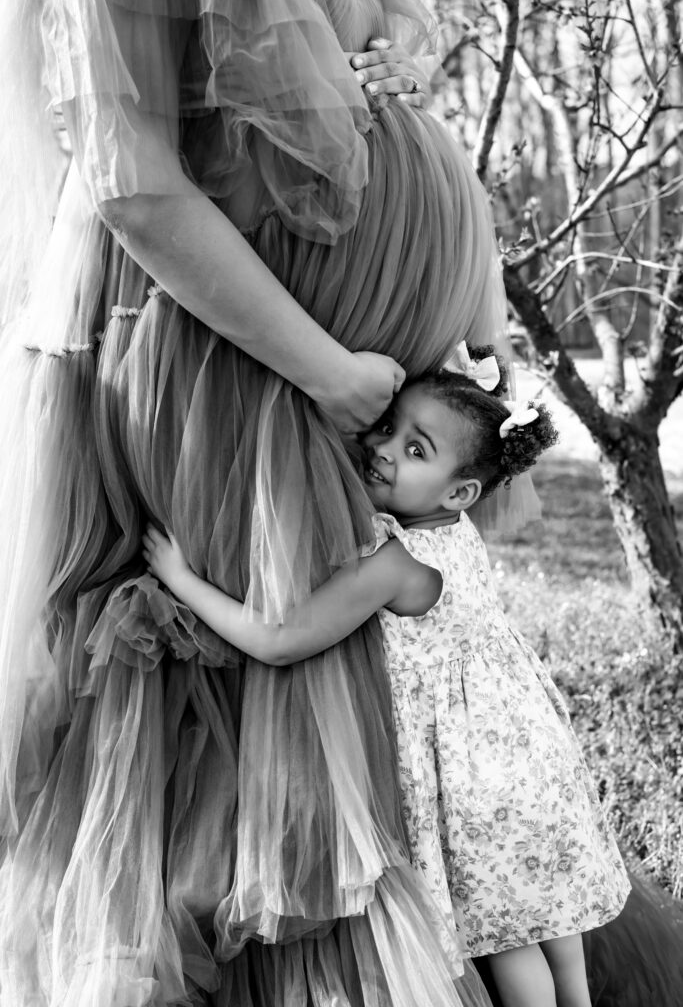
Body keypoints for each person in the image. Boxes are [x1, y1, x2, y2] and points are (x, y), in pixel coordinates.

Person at [0, 0, 514, 1005]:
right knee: (236, 710)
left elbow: (400, 9)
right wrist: (325, 369)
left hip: (337, 381)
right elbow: (131, 181)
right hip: (241, 371)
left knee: (329, 697)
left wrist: (403, 55)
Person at [143, 370, 631, 1007]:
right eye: (389, 428)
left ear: (461, 491)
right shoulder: (456, 533)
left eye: (415, 449)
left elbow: (278, 639)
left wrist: (180, 578)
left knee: (507, 940)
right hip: (530, 754)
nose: (384, 447)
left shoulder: (396, 563)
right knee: (554, 923)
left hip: (474, 784)